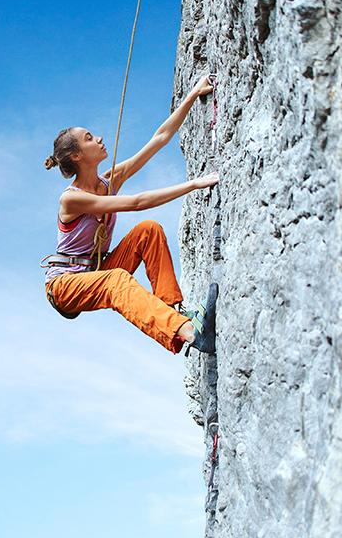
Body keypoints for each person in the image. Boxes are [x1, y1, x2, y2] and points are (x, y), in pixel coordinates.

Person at [40, 75, 220, 355]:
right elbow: (136, 202)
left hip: (96, 269)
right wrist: (194, 184)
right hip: (63, 285)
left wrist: (193, 94)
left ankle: (174, 313)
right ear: (76, 156)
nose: (99, 138)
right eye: (89, 138)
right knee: (116, 281)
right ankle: (190, 333)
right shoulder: (71, 199)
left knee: (148, 230)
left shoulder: (108, 181)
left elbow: (159, 139)